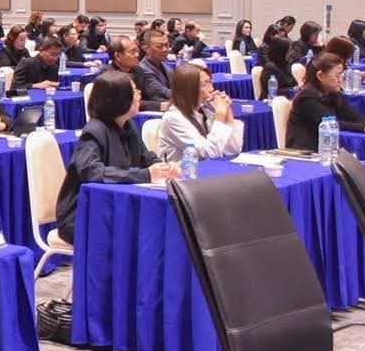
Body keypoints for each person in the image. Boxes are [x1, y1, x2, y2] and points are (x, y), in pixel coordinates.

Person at [54, 72, 176, 241]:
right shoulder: (94, 131)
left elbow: (146, 157)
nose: (139, 95)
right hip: (84, 215)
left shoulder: (128, 125)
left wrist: (163, 168)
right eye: (134, 92)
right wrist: (146, 174)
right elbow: (91, 172)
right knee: (143, 232)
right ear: (119, 99)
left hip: (114, 207)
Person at [287, 53, 365, 150]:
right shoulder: (306, 97)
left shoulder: (333, 93)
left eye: (342, 75)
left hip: (325, 148)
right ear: (320, 76)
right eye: (337, 76)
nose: (341, 80)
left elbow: (355, 117)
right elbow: (332, 124)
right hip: (304, 151)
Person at [157, 64, 244, 162]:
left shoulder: (204, 112)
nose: (211, 89)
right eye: (204, 85)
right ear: (189, 90)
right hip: (183, 170)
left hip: (207, 169)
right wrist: (220, 115)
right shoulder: (172, 119)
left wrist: (228, 113)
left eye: (210, 82)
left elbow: (233, 150)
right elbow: (210, 153)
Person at [133, 29, 174, 108]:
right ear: (145, 47)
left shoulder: (166, 67)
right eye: (159, 46)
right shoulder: (142, 70)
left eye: (167, 45)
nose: (165, 49)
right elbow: (162, 93)